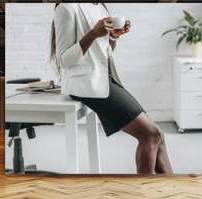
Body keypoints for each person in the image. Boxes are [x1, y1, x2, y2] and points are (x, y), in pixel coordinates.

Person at [50, 3, 173, 174]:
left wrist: (113, 37)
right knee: (150, 135)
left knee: (157, 136)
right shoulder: (66, 8)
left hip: (108, 78)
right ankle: (144, 196)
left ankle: (171, 190)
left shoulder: (100, 6)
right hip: (85, 82)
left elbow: (105, 51)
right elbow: (63, 60)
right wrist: (93, 34)